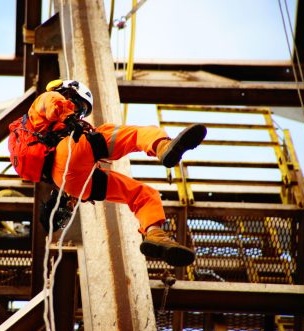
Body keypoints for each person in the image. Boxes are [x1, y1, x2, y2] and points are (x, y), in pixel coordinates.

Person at [25, 79, 206, 267]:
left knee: (143, 194)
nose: (78, 113)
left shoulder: (40, 131)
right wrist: (70, 117)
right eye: (78, 106)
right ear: (67, 92)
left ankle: (155, 234)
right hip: (71, 150)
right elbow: (51, 100)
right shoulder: (46, 102)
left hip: (72, 184)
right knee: (132, 134)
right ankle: (163, 145)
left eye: (81, 110)